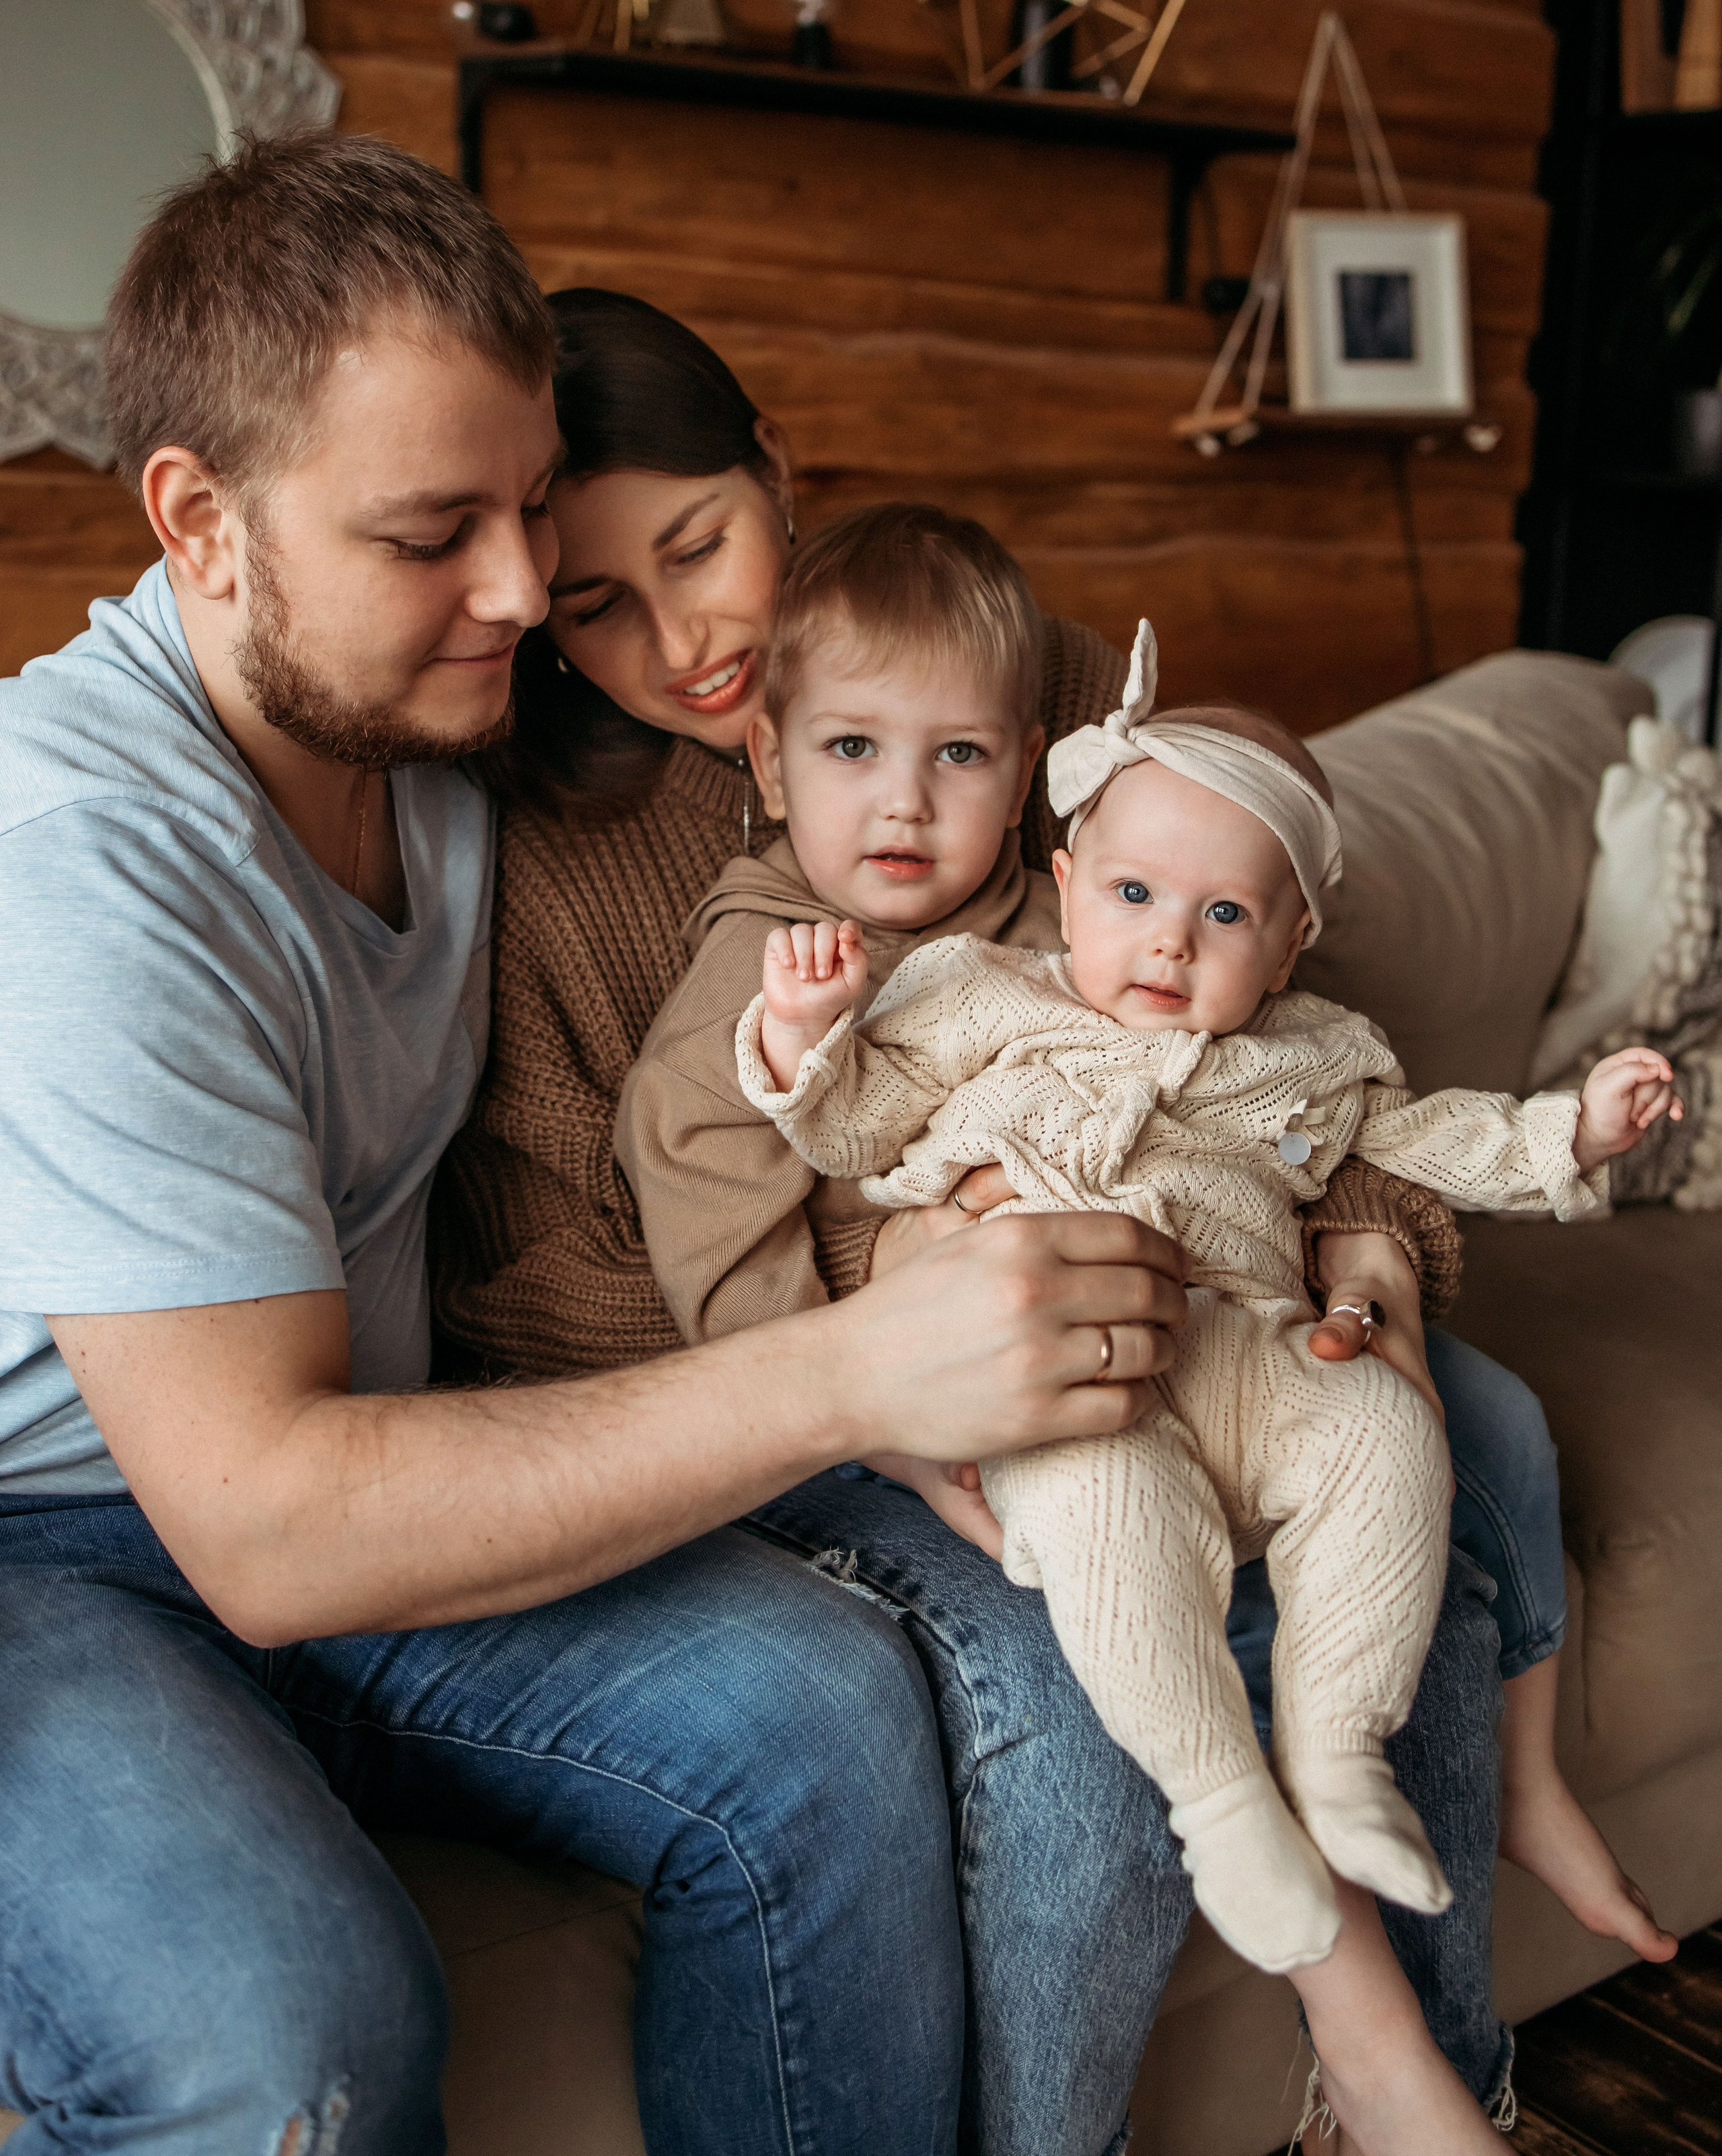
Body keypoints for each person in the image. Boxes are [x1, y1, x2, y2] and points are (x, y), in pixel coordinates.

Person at [0, 133, 1211, 2156]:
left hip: (367, 1466)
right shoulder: (84, 865)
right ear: (200, 525)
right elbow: (270, 1520)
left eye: (532, 509)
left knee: (826, 1717)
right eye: (430, 533)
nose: (514, 596)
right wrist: (851, 1364)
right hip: (58, 1539)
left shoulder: (462, 735)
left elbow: (1001, 690)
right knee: (292, 2034)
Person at [436, 299, 1524, 2151]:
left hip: (1162, 1266)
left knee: (1453, 1462)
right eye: (600, 601)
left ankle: (1409, 2053)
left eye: (702, 545)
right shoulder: (562, 850)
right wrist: (901, 1295)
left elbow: (1251, 997)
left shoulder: (1035, 682)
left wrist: (1371, 1234)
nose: (687, 635)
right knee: (1088, 1668)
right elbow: (563, 1277)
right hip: (780, 1380)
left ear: (777, 471)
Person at [718, 575, 1675, 2004]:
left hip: (1258, 1353)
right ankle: (1220, 1802)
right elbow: (857, 1130)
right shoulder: (981, 996)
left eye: (1221, 912)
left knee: (1384, 1440)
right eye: (1131, 895)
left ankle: (1338, 1751)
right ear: (1063, 886)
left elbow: (1432, 1142)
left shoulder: (1316, 1054)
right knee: (1100, 1510)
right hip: (1071, 1372)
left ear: (1285, 946)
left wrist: (1572, 1133)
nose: (1168, 939)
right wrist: (803, 1035)